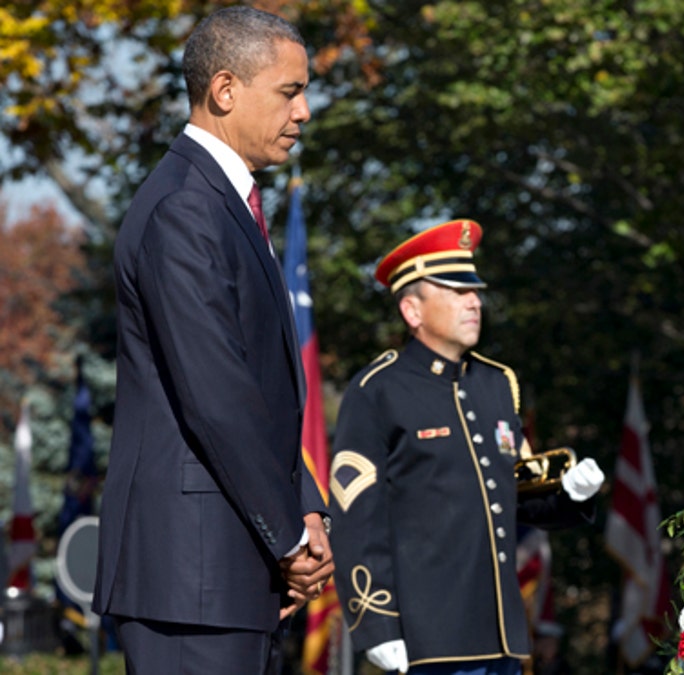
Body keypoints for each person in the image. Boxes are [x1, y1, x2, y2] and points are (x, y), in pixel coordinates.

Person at [93, 7, 333, 673]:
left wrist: (307, 510)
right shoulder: (185, 208)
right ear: (225, 90)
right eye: (290, 91)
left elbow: (261, 393)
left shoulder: (220, 203)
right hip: (189, 578)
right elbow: (217, 396)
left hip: (223, 575)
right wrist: (289, 538)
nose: (306, 111)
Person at [328, 219, 606, 675]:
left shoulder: (496, 384)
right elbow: (357, 519)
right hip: (426, 642)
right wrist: (376, 625)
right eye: (456, 291)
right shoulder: (377, 390)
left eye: (474, 290)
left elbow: (515, 497)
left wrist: (568, 493)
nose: (474, 301)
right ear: (412, 311)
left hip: (501, 638)